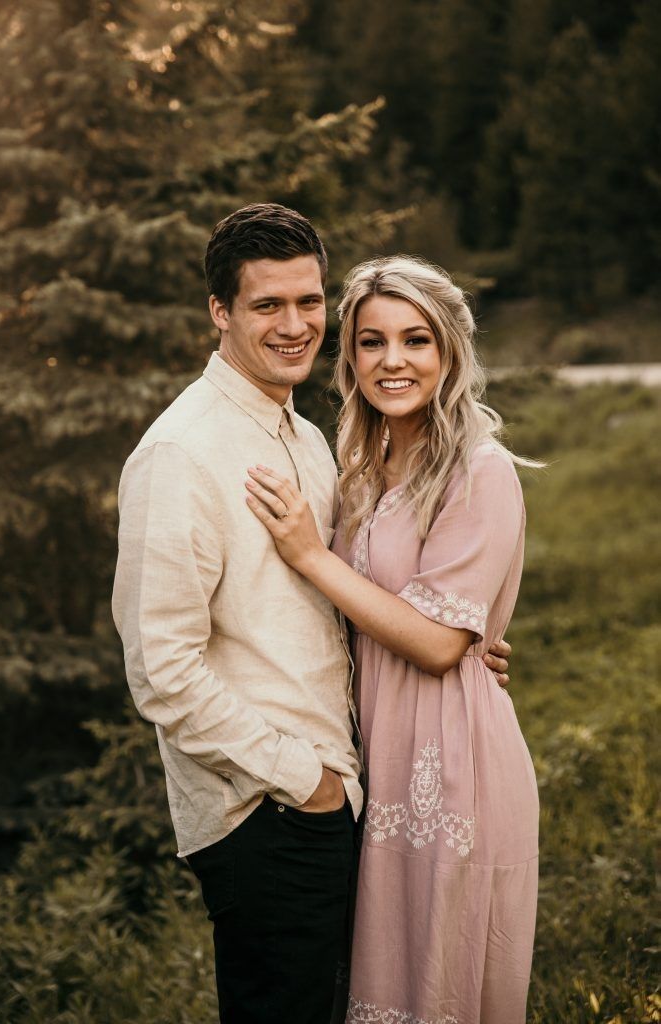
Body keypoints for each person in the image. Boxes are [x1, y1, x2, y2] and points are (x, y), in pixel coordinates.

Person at [112, 205, 512, 1024]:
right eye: (267, 305)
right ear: (219, 312)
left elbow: (329, 610)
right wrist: (308, 784)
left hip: (343, 799)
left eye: (307, 303)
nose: (294, 326)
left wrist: (458, 648)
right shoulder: (180, 454)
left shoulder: (307, 437)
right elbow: (162, 670)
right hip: (266, 809)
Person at [246, 255, 540, 1024]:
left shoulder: (480, 470)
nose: (393, 361)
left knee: (437, 989)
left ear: (448, 353)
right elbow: (379, 616)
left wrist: (310, 554)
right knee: (374, 986)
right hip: (374, 749)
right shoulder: (359, 466)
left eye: (416, 340)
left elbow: (441, 646)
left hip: (451, 767)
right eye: (371, 342)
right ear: (350, 358)